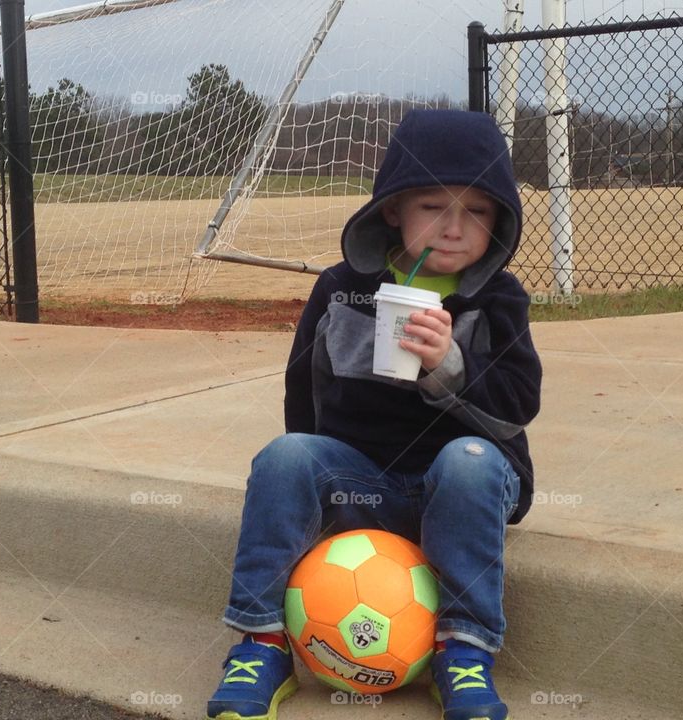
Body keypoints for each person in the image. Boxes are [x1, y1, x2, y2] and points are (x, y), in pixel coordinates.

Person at [206, 109, 542, 720]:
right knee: (285, 455)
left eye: (478, 211)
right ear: (392, 210)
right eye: (433, 208)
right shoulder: (341, 287)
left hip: (465, 484)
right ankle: (261, 642)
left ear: (500, 219)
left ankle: (463, 652)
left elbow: (519, 408)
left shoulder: (498, 299)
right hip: (364, 483)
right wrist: (309, 488)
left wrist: (451, 364)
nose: (455, 229)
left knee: (467, 461)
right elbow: (302, 392)